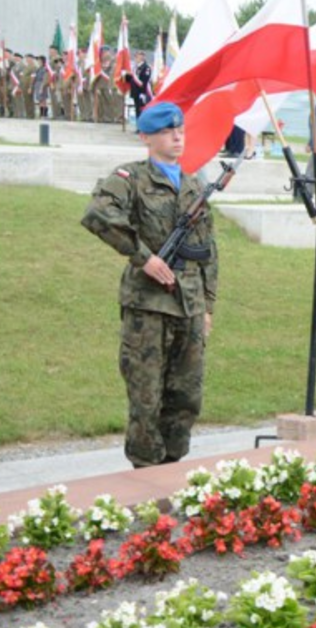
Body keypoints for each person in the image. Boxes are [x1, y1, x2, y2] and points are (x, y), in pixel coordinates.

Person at [80, 102, 217, 467]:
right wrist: (144, 257)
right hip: (148, 308)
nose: (177, 138)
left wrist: (208, 306)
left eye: (180, 131)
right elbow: (97, 214)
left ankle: (172, 469)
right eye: (167, 132)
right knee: (146, 397)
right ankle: (144, 474)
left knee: (186, 396)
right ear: (146, 138)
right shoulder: (131, 178)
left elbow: (207, 250)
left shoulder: (194, 185)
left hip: (189, 307)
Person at [130, 50, 153, 115]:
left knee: (142, 109)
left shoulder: (146, 67)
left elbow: (144, 81)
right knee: (137, 109)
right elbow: (132, 79)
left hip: (141, 92)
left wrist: (142, 92)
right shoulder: (136, 67)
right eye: (136, 56)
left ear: (142, 57)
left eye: (137, 56)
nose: (136, 58)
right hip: (135, 92)